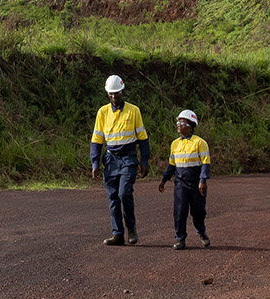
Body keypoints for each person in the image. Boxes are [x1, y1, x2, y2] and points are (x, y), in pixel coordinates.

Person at [89, 74, 149, 245]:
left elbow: (143, 138)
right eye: (111, 94)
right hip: (110, 159)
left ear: (123, 91)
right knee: (113, 197)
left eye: (117, 93)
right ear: (108, 94)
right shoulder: (102, 112)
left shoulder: (133, 110)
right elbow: (97, 140)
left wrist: (144, 161)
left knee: (124, 194)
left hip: (128, 158)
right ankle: (117, 233)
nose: (114, 97)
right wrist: (95, 163)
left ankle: (131, 228)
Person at [157, 108, 211, 250]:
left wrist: (203, 180)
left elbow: (205, 163)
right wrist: (164, 179)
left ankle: (201, 232)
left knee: (198, 212)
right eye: (178, 122)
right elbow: (172, 165)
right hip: (181, 183)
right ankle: (180, 239)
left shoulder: (200, 143)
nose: (179, 125)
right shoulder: (175, 144)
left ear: (191, 126)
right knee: (180, 211)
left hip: (196, 183)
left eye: (183, 122)